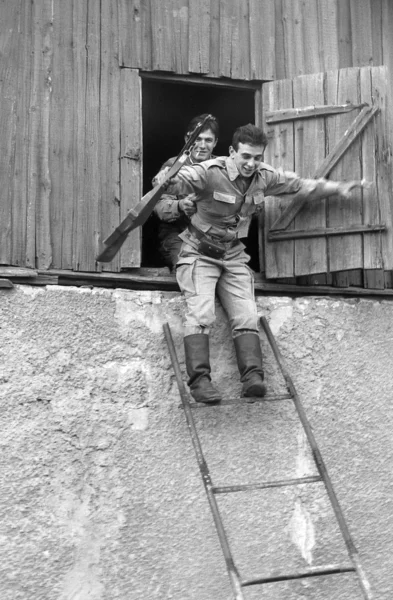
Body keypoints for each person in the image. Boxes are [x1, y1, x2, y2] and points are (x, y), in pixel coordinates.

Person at [156, 123, 367, 404]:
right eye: (245, 156)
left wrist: (339, 188)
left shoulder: (264, 177)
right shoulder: (211, 172)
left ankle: (253, 378)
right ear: (232, 152)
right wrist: (166, 179)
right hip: (199, 253)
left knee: (245, 315)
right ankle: (200, 383)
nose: (250, 163)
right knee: (201, 314)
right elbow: (181, 178)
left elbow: (303, 186)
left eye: (257, 157)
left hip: (232, 255)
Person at [153, 114, 219, 271]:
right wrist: (180, 205)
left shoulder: (221, 168)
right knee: (190, 269)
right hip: (178, 233)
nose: (202, 145)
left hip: (212, 236)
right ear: (187, 139)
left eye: (208, 140)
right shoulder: (173, 166)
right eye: (197, 139)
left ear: (215, 142)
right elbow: (158, 206)